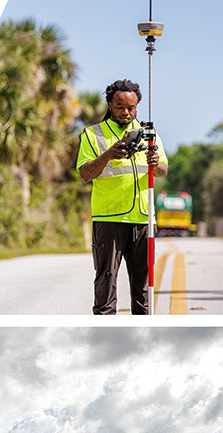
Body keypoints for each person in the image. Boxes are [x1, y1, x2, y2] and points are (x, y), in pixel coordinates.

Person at [76, 79, 168, 315]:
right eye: (119, 106)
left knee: (143, 287)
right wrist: (108, 154)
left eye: (131, 108)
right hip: (109, 219)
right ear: (109, 104)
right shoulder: (92, 134)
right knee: (106, 282)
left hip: (143, 219)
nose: (126, 112)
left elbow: (162, 171)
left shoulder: (149, 133)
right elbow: (85, 173)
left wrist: (156, 163)